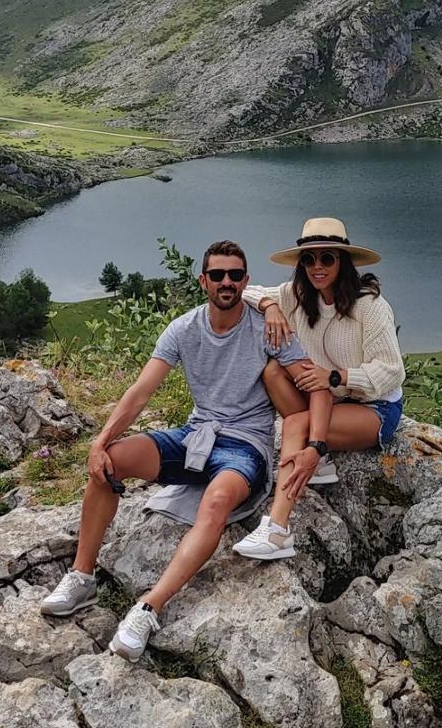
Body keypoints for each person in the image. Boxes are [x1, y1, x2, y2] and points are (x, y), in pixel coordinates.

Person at [39, 240, 333, 661]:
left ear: (246, 282)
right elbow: (140, 392)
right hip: (196, 434)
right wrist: (100, 443)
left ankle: (147, 609)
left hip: (245, 447)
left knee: (214, 503)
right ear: (204, 281)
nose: (226, 282)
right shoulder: (184, 328)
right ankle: (82, 576)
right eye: (217, 275)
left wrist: (315, 446)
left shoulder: (268, 330)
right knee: (111, 464)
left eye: (235, 275)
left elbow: (315, 385)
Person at [232, 217, 405, 561]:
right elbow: (244, 291)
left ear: (344, 262)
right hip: (324, 402)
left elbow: (391, 371)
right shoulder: (295, 297)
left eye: (327, 258)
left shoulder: (369, 307)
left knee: (296, 424)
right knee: (272, 370)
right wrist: (269, 307)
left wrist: (336, 378)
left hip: (374, 408)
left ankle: (278, 529)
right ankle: (318, 453)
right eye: (308, 259)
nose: (317, 267)